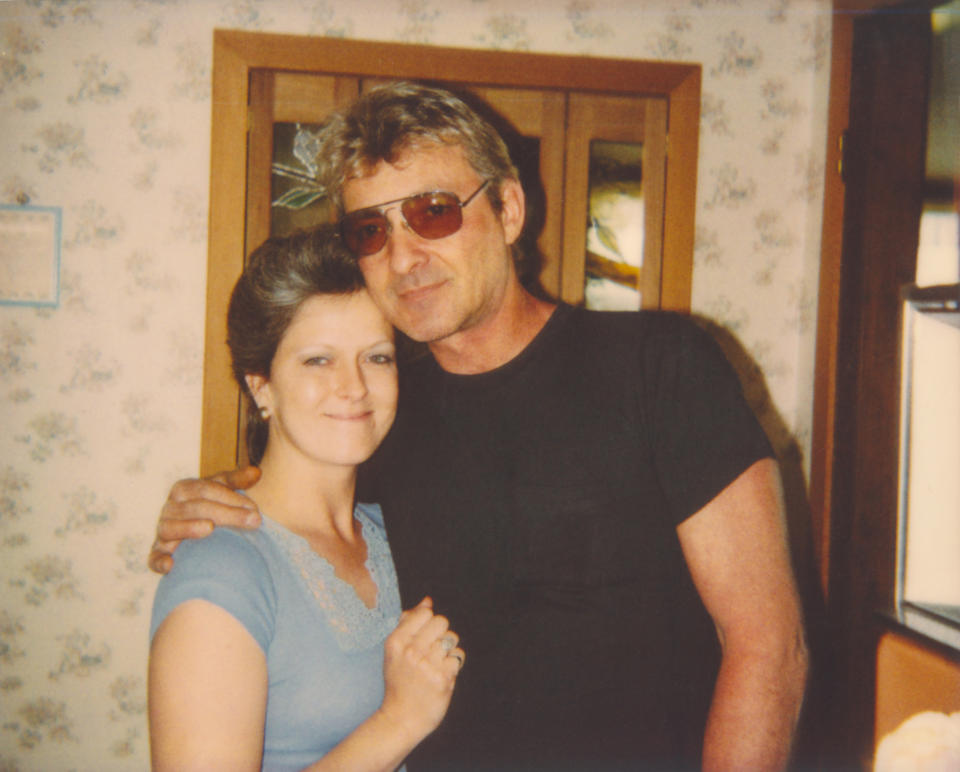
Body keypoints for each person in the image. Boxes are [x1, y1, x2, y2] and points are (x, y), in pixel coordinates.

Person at [150, 82, 809, 771]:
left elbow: (768, 644)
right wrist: (212, 499)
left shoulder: (661, 369)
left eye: (434, 213)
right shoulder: (380, 404)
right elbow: (298, 500)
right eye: (371, 231)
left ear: (510, 209)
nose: (404, 258)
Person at [148, 225, 465, 772]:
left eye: (377, 358)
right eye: (318, 360)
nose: (354, 386)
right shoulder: (222, 571)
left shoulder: (399, 529)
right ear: (260, 384)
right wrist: (400, 721)